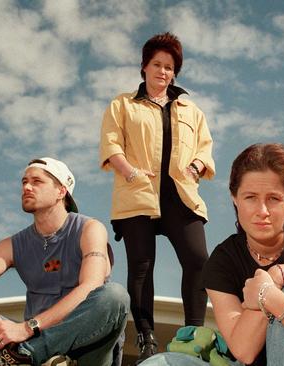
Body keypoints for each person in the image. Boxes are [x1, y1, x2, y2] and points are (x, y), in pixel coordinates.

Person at [142, 143, 284, 366]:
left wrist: (270, 294)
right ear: (235, 198)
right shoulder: (223, 260)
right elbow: (243, 350)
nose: (262, 211)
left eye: (273, 199)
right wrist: (273, 278)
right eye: (250, 197)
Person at [0, 157, 130, 366]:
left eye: (37, 181)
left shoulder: (90, 229)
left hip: (86, 346)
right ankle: (27, 358)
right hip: (31, 338)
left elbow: (91, 285)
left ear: (61, 191)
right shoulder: (13, 244)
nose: (26, 187)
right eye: (24, 181)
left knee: (114, 297)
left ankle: (24, 357)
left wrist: (26, 328)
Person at [99, 32, 215, 364]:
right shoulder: (122, 104)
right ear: (144, 68)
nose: (163, 71)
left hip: (181, 196)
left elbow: (205, 147)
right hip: (137, 192)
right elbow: (111, 144)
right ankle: (146, 336)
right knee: (141, 267)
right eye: (157, 65)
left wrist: (196, 165)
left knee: (197, 260)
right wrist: (130, 171)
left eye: (169, 66)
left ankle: (194, 335)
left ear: (174, 72)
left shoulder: (190, 109)